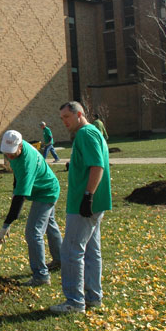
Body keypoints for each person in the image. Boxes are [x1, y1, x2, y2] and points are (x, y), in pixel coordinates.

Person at [49, 101, 112, 314]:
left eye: (67, 117)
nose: (64, 122)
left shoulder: (86, 134)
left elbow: (97, 165)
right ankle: (93, 296)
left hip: (84, 204)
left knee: (71, 250)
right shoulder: (90, 134)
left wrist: (88, 196)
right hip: (92, 202)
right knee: (91, 251)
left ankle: (74, 302)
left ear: (79, 114)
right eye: (62, 118)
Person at [0, 130, 62, 286]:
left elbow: (20, 199)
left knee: (33, 232)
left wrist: (7, 224)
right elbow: (16, 174)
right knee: (50, 225)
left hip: (46, 192)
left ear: (20, 146)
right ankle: (61, 260)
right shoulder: (16, 152)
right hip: (43, 188)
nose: (9, 156)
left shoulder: (27, 161)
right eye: (7, 154)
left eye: (12, 153)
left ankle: (41, 276)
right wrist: (15, 189)